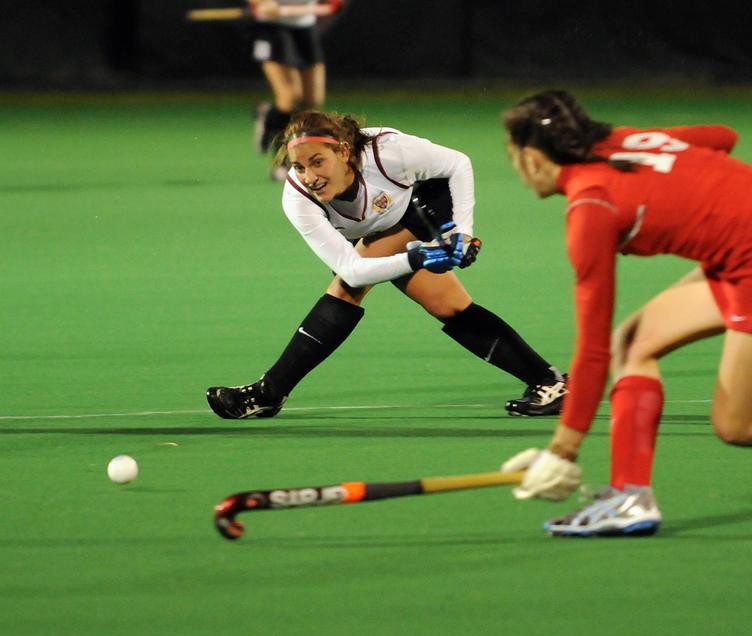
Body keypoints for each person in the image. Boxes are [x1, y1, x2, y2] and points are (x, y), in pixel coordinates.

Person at [498, 90, 752, 537]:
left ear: (533, 159)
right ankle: (630, 496)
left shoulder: (590, 209)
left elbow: (591, 346)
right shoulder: (623, 142)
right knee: (632, 344)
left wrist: (564, 448)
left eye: (512, 159)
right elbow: (722, 136)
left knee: (737, 423)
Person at [206, 110, 568, 419]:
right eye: (299, 166)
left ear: (344, 151)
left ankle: (269, 394)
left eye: (318, 162)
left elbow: (458, 164)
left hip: (425, 203)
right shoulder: (298, 198)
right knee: (447, 304)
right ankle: (548, 380)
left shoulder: (389, 153)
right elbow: (350, 266)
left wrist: (461, 232)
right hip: (382, 229)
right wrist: (418, 256)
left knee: (347, 291)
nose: (310, 176)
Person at [249, 0, 343, 175]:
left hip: (304, 26)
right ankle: (281, 161)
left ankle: (268, 114)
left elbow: (334, 4)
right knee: (290, 97)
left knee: (312, 101)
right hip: (273, 28)